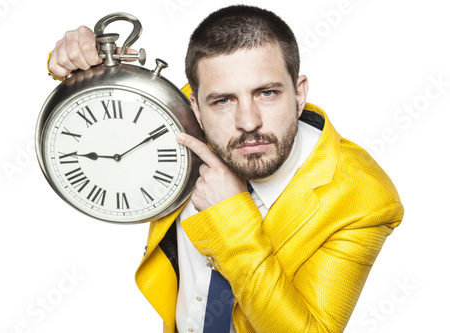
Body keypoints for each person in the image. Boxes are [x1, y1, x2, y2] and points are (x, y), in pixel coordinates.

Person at [48, 5, 404, 333]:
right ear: (196, 108)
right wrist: (73, 59)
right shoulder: (179, 118)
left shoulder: (364, 198)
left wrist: (231, 216)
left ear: (299, 94)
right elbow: (102, 112)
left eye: (267, 93)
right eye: (223, 100)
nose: (248, 122)